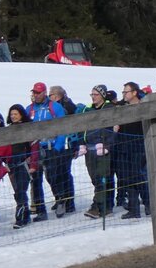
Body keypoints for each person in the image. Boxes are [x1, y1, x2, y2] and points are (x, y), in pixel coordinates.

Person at [26, 81, 64, 220]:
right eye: (34, 92)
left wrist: (57, 147)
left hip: (50, 147)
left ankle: (60, 200)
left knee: (53, 177)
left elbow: (62, 128)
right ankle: (41, 210)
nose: (35, 95)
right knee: (36, 180)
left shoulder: (55, 107)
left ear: (44, 93)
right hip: (35, 149)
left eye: (38, 93)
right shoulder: (29, 109)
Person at [80, 85, 116, 218]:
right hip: (89, 148)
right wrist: (81, 143)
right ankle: (105, 206)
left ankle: (97, 207)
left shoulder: (109, 108)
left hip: (102, 148)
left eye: (95, 94)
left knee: (102, 177)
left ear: (102, 95)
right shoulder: (87, 109)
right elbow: (82, 127)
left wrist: (107, 145)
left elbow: (113, 129)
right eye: (92, 94)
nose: (93, 97)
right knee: (95, 178)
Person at [116, 82, 149, 219]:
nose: (123, 94)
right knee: (128, 177)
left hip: (138, 146)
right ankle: (134, 208)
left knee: (138, 175)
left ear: (134, 92)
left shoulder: (142, 107)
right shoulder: (122, 108)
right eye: (123, 92)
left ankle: (149, 203)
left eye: (126, 92)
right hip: (124, 146)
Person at [47, 85, 78, 215]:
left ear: (56, 96)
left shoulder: (64, 107)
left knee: (63, 173)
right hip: (59, 144)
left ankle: (68, 201)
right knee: (55, 173)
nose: (49, 97)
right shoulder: (62, 106)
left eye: (50, 95)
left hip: (66, 145)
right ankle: (60, 198)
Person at [5, 104, 36, 228]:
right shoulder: (8, 130)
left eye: (15, 114)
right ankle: (26, 214)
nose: (13, 116)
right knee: (17, 190)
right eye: (11, 114)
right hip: (11, 163)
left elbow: (34, 146)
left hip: (24, 163)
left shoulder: (28, 128)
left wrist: (32, 162)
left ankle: (20, 217)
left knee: (20, 190)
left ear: (21, 115)